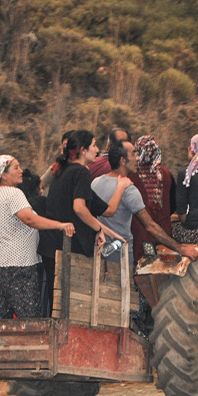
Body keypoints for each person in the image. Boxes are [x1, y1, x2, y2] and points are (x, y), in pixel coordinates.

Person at [39, 130, 129, 315]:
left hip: (51, 246)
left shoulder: (62, 171)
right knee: (70, 306)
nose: (97, 149)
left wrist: (107, 232)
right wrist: (98, 230)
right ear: (82, 150)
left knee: (55, 304)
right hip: (68, 248)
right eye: (94, 145)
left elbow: (82, 212)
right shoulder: (80, 172)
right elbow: (79, 208)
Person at [0, 155, 75, 319]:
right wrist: (60, 225)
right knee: (28, 316)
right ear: (3, 175)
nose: (21, 171)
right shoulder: (13, 194)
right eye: (16, 168)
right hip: (17, 266)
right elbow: (29, 218)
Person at [92, 141, 198, 265]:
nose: (138, 158)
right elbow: (150, 226)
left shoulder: (95, 182)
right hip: (122, 256)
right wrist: (180, 248)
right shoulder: (129, 188)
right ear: (123, 160)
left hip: (101, 252)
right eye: (133, 154)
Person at [127, 135, 177, 264]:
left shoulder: (131, 175)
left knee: (142, 265)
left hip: (141, 232)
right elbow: (173, 204)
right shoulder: (166, 174)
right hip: (164, 232)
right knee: (164, 265)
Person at [40, 130, 75, 195]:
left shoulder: (82, 169)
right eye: (64, 145)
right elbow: (40, 183)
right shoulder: (57, 167)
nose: (65, 148)